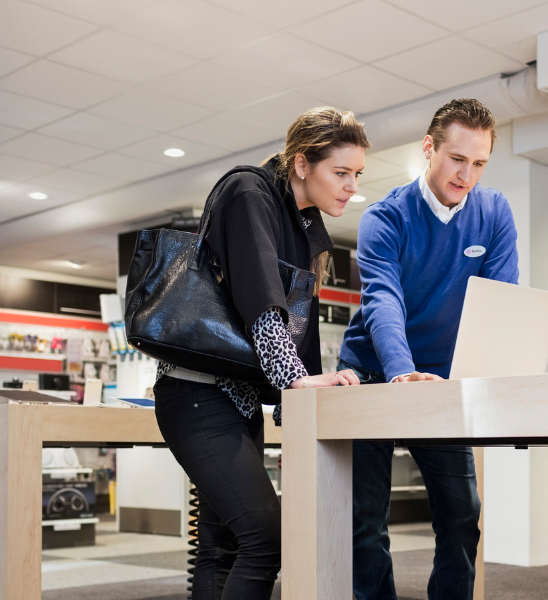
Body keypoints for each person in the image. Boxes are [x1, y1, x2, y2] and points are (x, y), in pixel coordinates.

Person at [153, 107, 366, 599]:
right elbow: (261, 298)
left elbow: (299, 321)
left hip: (238, 401)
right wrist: (295, 381)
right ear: (301, 164)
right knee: (265, 539)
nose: (351, 184)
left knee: (222, 546)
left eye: (357, 174)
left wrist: (306, 391)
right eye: (340, 172)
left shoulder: (304, 221)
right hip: (196, 395)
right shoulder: (249, 192)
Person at [338, 98, 519, 600]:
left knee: (463, 513)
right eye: (457, 159)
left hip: (442, 379)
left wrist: (497, 371)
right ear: (428, 148)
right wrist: (400, 372)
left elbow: (502, 302)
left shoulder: (494, 212)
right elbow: (382, 302)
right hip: (373, 373)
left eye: (479, 163)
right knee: (365, 519)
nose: (467, 174)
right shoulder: (385, 217)